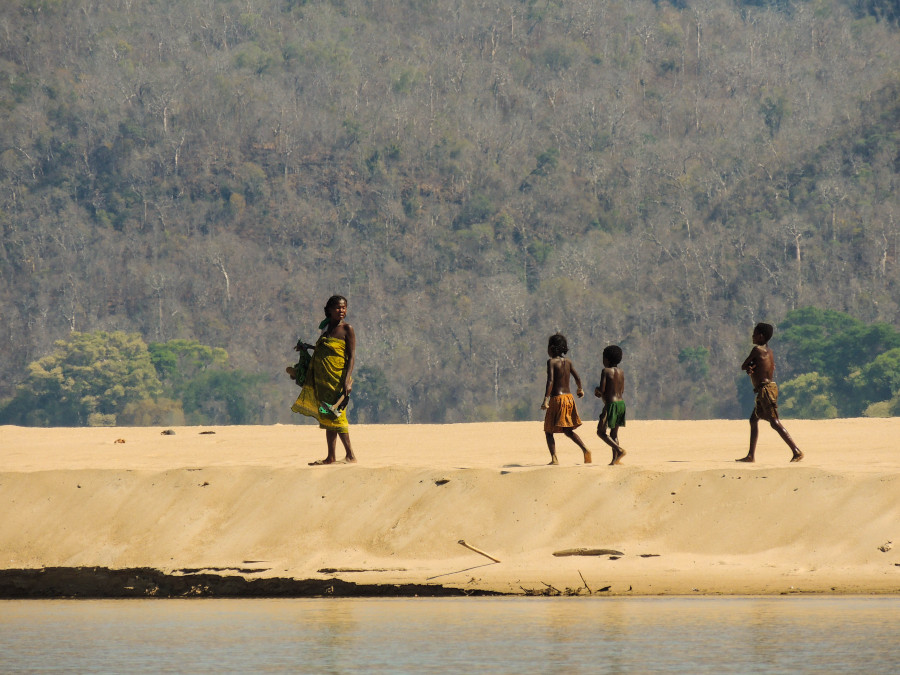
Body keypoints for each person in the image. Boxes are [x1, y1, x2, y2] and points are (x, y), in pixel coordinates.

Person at [291, 295, 357, 465]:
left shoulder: (347, 329)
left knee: (337, 414)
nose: (341, 311)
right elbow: (324, 349)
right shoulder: (326, 329)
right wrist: (307, 347)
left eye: (344, 308)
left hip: (337, 380)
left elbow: (351, 357)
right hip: (323, 380)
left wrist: (347, 379)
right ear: (329, 310)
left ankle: (350, 455)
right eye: (337, 308)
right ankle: (331, 456)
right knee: (327, 416)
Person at [736, 322, 803, 463]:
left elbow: (743, 365)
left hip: (765, 391)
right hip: (768, 389)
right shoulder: (769, 352)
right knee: (753, 420)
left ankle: (796, 451)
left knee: (774, 422)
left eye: (754, 334)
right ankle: (750, 456)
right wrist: (752, 367)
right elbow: (762, 366)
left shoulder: (757, 350)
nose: (752, 336)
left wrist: (749, 367)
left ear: (760, 336)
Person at [541, 333, 592, 465]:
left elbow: (550, 381)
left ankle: (554, 458)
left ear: (552, 348)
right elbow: (577, 377)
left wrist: (546, 399)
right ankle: (585, 449)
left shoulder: (551, 362)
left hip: (557, 399)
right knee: (568, 430)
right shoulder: (568, 362)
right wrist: (580, 389)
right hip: (569, 398)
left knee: (548, 431)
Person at [594, 345, 626, 465]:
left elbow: (602, 389)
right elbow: (622, 390)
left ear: (607, 359)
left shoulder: (606, 371)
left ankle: (619, 450)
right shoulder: (621, 372)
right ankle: (615, 460)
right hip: (621, 404)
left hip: (610, 405)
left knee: (600, 432)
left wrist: (597, 390)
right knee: (614, 434)